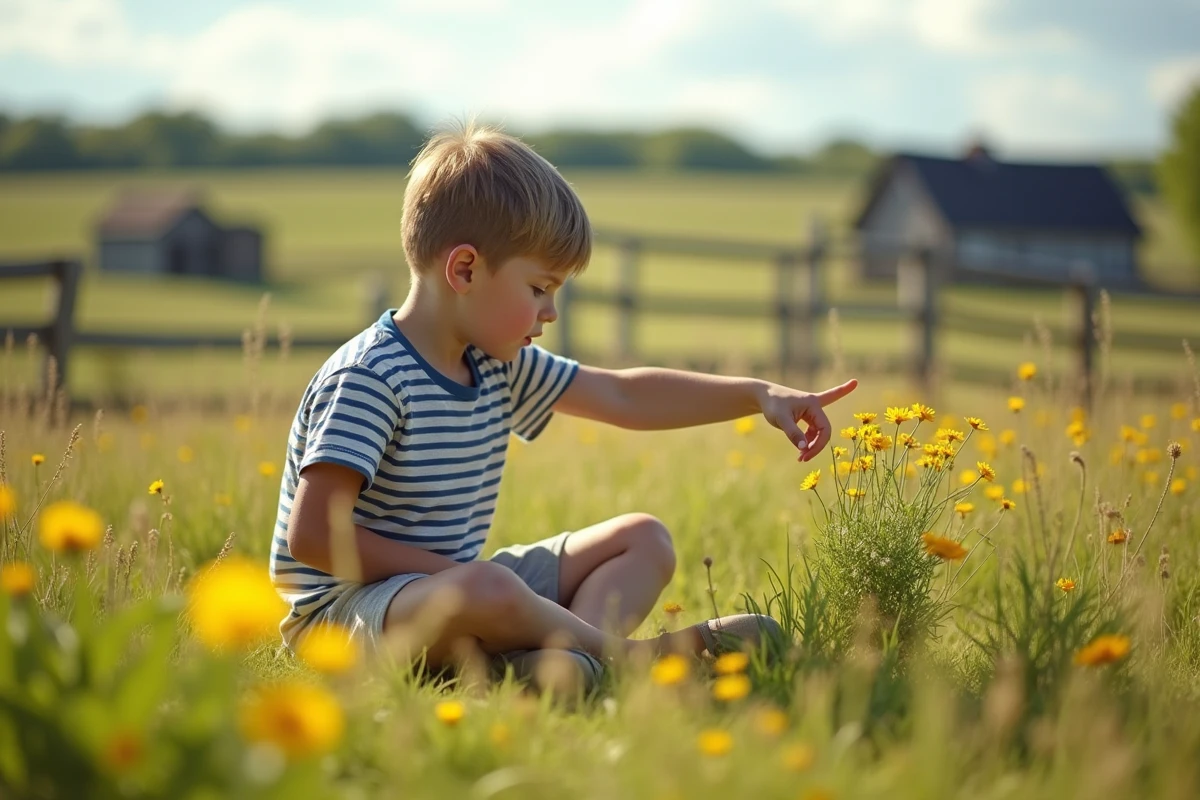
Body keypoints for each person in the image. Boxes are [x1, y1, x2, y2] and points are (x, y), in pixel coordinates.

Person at [271, 121, 858, 693]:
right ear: (466, 269)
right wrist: (465, 579)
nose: (550, 312)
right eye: (538, 289)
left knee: (643, 539)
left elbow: (623, 394)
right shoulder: (371, 375)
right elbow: (315, 537)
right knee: (486, 588)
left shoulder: (495, 363)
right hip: (344, 621)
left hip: (453, 598)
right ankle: (632, 659)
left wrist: (756, 394)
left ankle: (552, 668)